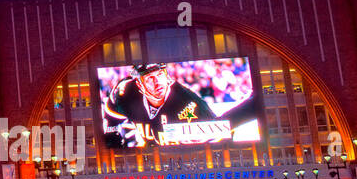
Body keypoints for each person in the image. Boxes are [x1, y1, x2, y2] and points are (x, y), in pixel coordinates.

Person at [102, 63, 259, 148]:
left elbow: (217, 136)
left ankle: (254, 103)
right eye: (150, 78)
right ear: (139, 85)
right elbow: (111, 120)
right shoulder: (125, 91)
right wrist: (115, 146)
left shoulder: (188, 104)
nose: (157, 83)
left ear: (168, 77)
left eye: (160, 76)